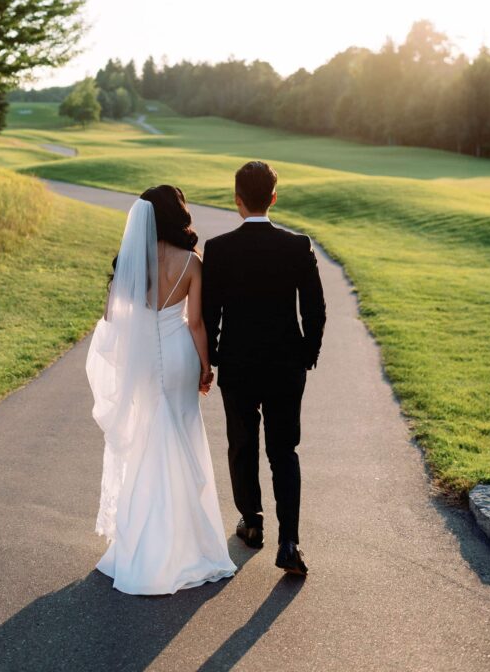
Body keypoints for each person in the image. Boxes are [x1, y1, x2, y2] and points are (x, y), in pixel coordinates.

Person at [86, 184, 236, 595]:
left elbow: (110, 317)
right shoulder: (191, 261)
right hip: (180, 354)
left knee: (149, 439)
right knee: (185, 434)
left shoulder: (131, 262)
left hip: (147, 362)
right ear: (177, 214)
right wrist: (207, 367)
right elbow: (196, 323)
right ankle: (189, 542)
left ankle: (143, 541)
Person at [202, 161, 326, 576]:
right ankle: (289, 541)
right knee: (284, 451)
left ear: (237, 200)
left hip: (237, 363)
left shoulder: (218, 249)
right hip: (286, 365)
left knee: (241, 444)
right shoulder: (297, 246)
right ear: (274, 197)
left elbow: (209, 311)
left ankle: (252, 524)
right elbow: (315, 307)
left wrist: (215, 355)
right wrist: (307, 351)